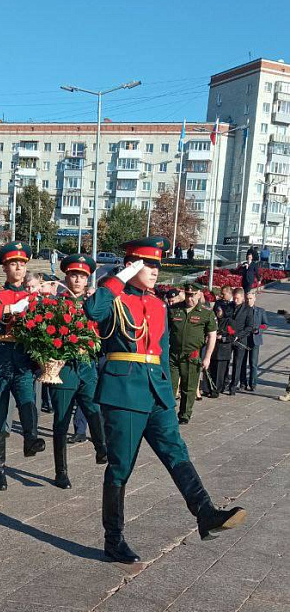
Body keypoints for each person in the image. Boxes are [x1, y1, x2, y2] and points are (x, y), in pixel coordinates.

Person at [83, 236, 246, 563]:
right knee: (121, 468)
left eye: (157, 265)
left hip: (156, 391)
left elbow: (164, 352)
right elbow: (92, 310)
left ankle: (205, 513)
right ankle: (113, 540)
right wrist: (121, 277)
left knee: (176, 451)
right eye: (148, 265)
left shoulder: (159, 305)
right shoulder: (114, 298)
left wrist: (169, 393)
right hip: (124, 392)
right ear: (132, 266)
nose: (155, 271)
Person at [0, 242, 46, 490]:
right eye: (13, 264)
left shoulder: (34, 296)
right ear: (5, 268)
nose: (18, 268)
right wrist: (8, 309)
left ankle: (31, 438)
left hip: (23, 358)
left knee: (28, 399)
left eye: (22, 264)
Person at [49, 255, 107, 489]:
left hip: (87, 365)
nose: (77, 280)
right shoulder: (56, 304)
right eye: (74, 275)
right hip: (64, 368)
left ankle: (101, 448)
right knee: (61, 420)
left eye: (82, 276)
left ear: (87, 280)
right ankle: (61, 471)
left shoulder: (92, 304)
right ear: (66, 277)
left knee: (94, 410)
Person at [168, 283, 217, 424]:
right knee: (170, 385)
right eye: (188, 295)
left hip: (191, 355)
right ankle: (168, 413)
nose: (190, 298)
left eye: (193, 295)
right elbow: (164, 330)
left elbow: (212, 335)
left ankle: (184, 414)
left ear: (199, 294)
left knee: (188, 387)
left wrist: (207, 357)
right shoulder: (174, 309)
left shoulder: (206, 312)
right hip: (173, 354)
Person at [240, 290, 267, 392]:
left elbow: (265, 324)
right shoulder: (242, 310)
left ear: (255, 299)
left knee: (253, 363)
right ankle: (243, 383)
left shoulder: (260, 311)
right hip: (244, 339)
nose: (249, 301)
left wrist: (259, 329)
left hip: (255, 340)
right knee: (242, 362)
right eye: (247, 299)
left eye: (251, 298)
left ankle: (253, 384)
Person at [228, 287, 254, 394]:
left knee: (237, 364)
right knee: (226, 361)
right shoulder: (229, 306)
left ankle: (233, 386)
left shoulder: (248, 309)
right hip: (228, 339)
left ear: (243, 298)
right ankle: (224, 382)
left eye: (237, 298)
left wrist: (238, 336)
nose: (235, 300)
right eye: (234, 298)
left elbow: (249, 327)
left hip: (240, 340)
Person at [210, 303, 235, 394]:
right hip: (214, 349)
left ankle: (217, 389)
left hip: (223, 350)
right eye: (217, 310)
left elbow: (232, 336)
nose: (217, 312)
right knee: (212, 370)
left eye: (219, 311)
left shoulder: (229, 322)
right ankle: (211, 388)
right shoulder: (215, 320)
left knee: (220, 372)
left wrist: (222, 338)